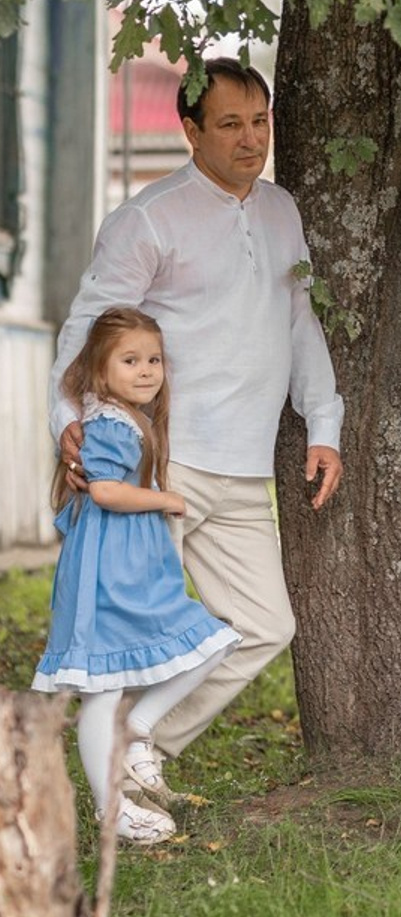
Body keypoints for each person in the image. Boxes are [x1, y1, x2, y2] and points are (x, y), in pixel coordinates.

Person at [49, 57, 344, 797]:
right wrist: (70, 421)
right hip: (161, 462)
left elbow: (299, 322)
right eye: (230, 124)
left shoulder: (282, 211)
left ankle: (138, 743)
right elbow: (87, 327)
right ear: (190, 131)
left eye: (260, 120)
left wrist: (325, 421)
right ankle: (115, 782)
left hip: (244, 466)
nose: (251, 139)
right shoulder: (149, 218)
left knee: (265, 626)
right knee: (135, 631)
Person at [34, 308, 241, 844]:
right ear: (101, 371)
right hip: (107, 571)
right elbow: (104, 491)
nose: (147, 370)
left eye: (153, 360)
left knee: (212, 641)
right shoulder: (109, 423)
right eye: (130, 361)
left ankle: (138, 730)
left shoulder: (124, 416)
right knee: (102, 688)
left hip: (128, 564)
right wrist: (165, 497)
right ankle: (113, 808)